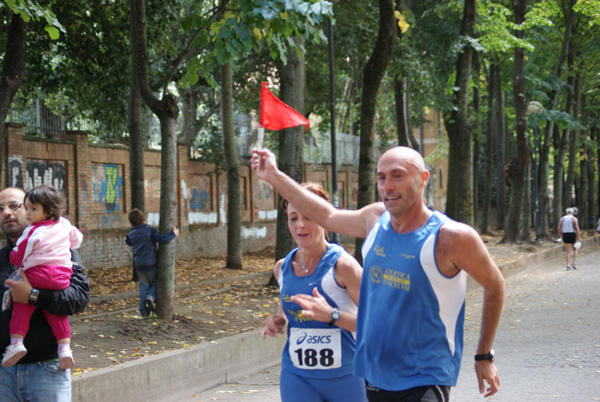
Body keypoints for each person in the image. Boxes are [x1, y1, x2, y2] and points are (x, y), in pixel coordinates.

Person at [252, 146, 506, 400]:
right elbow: (327, 215)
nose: (387, 186)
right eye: (381, 177)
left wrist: (484, 354)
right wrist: (273, 175)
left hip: (425, 375)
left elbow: (494, 284)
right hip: (375, 373)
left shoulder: (451, 237)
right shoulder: (374, 219)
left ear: (423, 179)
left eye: (398, 176)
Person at [261, 183, 366, 402]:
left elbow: (376, 324)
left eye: (309, 216)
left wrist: (331, 315)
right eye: (293, 218)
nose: (300, 225)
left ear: (325, 218)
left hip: (345, 376)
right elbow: (287, 309)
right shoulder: (282, 267)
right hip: (297, 376)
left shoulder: (344, 266)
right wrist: (278, 320)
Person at [0, 187, 90, 402]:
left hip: (47, 370)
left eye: (15, 206)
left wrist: (32, 296)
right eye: (1, 209)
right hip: (4, 373)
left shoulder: (62, 252)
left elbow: (78, 299)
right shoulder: (2, 259)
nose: (6, 213)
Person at [125, 208, 179, 317]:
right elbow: (161, 239)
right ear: (143, 219)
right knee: (156, 282)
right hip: (151, 263)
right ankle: (150, 297)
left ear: (131, 222)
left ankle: (144, 312)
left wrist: (133, 230)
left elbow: (128, 242)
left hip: (139, 265)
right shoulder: (149, 230)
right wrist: (173, 234)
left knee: (143, 287)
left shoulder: (131, 234)